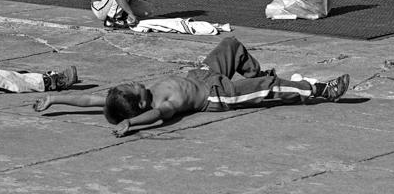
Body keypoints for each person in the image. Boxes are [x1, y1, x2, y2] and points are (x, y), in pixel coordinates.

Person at [33, 37, 351, 137]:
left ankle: (255, 71)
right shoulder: (166, 105)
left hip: (205, 74)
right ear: (140, 104)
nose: (131, 81)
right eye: (131, 87)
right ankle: (322, 91)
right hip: (218, 94)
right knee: (268, 88)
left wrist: (57, 102)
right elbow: (156, 117)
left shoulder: (128, 96)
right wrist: (130, 123)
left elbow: (91, 101)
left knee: (231, 46)